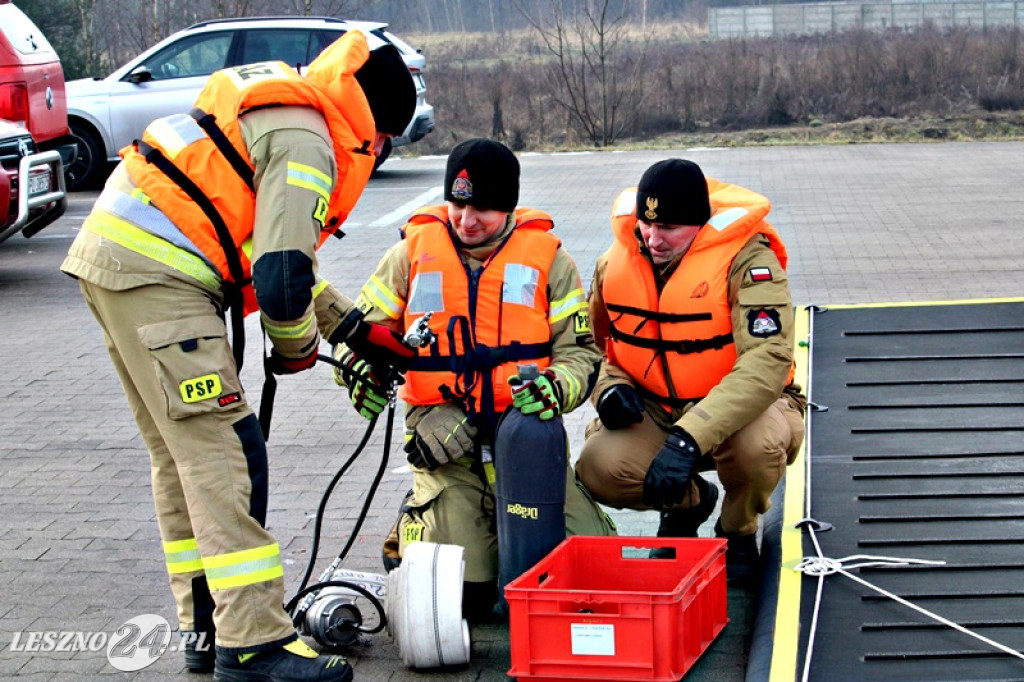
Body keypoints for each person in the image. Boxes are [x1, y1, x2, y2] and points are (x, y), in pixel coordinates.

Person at [60, 31, 418, 682]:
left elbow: (263, 250)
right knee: (228, 457)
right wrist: (298, 347)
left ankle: (206, 628)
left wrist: (353, 330)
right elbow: (282, 276)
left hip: (116, 263)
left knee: (181, 462)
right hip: (161, 280)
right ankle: (253, 645)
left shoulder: (289, 106)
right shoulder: (314, 140)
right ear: (378, 128)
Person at [333, 138, 615, 619]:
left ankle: (509, 529)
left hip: (524, 440)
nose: (466, 220)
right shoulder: (410, 254)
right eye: (458, 204)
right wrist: (361, 372)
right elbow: (354, 338)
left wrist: (557, 387)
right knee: (466, 598)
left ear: (508, 207)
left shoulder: (551, 261)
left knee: (590, 570)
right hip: (444, 441)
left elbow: (581, 352)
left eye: (482, 208)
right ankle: (416, 520)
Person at [575, 159, 806, 588]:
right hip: (657, 408)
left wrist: (691, 435)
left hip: (747, 410)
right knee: (597, 466)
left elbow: (767, 361)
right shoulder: (614, 263)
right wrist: (609, 388)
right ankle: (689, 506)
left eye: (670, 229)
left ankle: (736, 532)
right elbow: (595, 346)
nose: (653, 238)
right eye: (647, 223)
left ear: (701, 224)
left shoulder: (749, 263)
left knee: (756, 450)